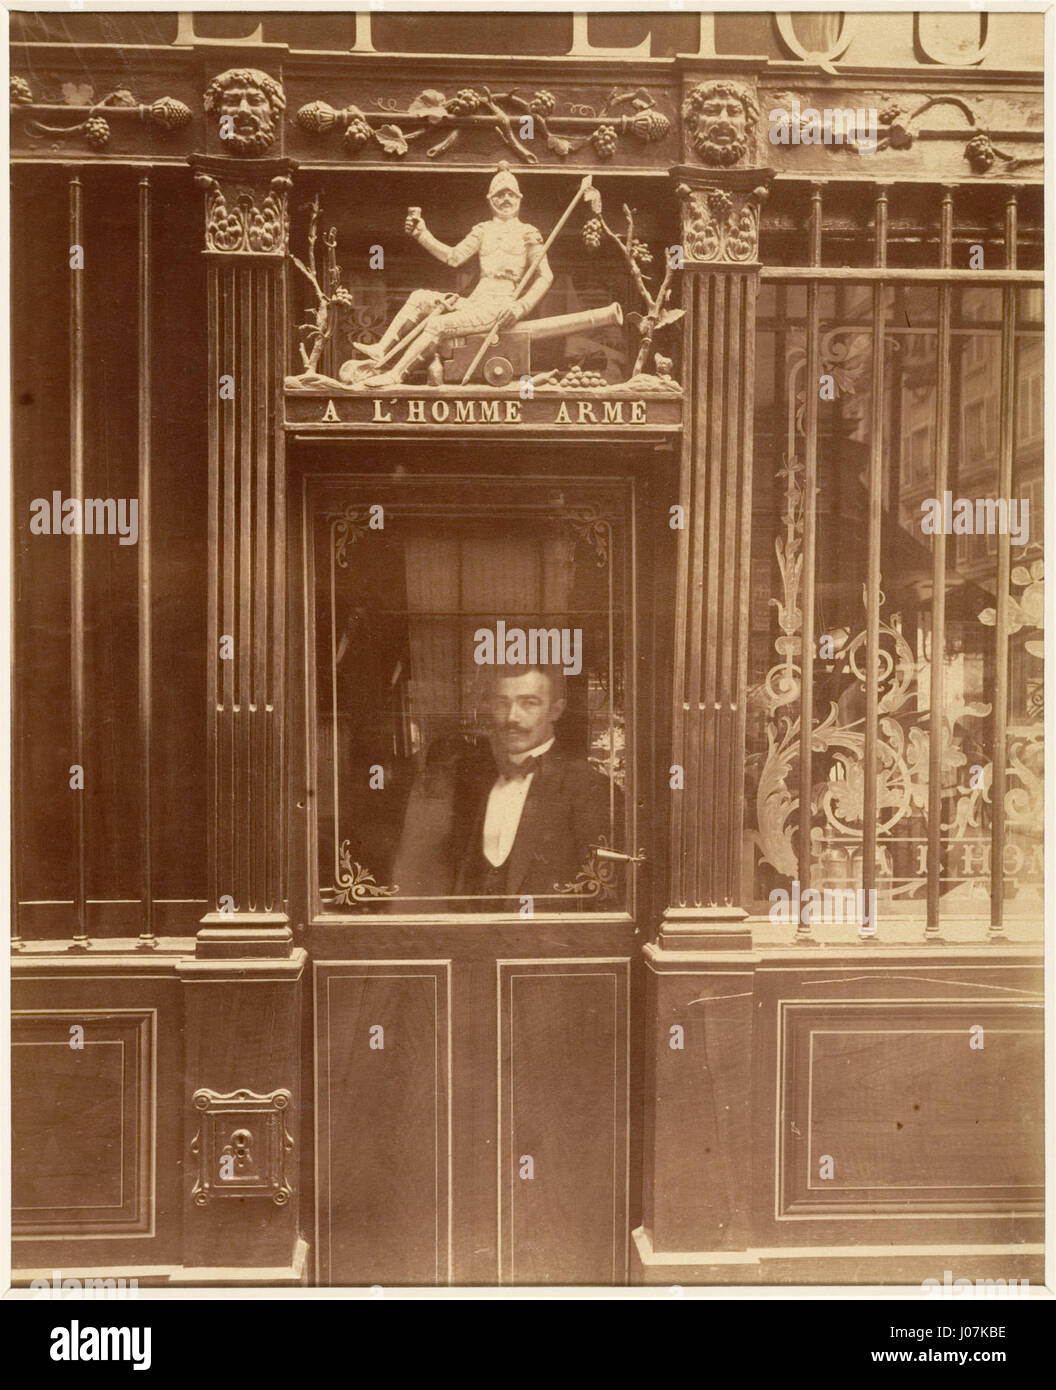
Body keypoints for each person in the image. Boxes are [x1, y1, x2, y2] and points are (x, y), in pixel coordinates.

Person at [343, 163, 553, 387]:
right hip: (476, 303)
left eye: (511, 195)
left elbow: (545, 275)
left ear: (519, 199)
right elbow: (454, 257)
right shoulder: (482, 230)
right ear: (490, 199)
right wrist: (422, 235)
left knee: (438, 325)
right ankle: (380, 349)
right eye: (500, 195)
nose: (506, 200)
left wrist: (520, 307)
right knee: (419, 297)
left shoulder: (528, 233)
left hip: (499, 308)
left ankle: (397, 374)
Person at [451, 666, 614, 910]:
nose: (512, 717)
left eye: (529, 703)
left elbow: (604, 898)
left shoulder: (589, 786)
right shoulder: (473, 781)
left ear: (555, 710)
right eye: (502, 703)